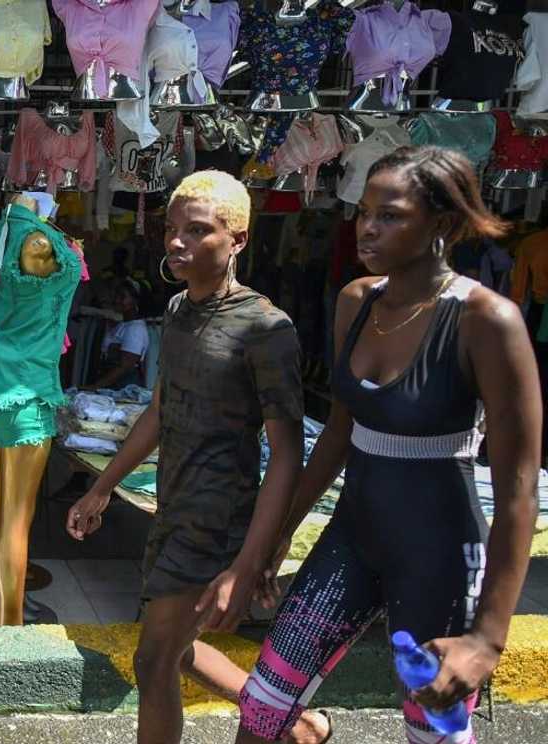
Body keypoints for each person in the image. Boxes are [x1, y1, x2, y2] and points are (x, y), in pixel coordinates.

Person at [234, 146, 541, 744]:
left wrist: (486, 638)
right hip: (352, 539)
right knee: (261, 707)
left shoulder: (486, 320)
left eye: (391, 215)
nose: (368, 227)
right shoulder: (357, 301)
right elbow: (339, 436)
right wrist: (274, 538)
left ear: (443, 225)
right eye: (364, 212)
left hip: (440, 556)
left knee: (433, 733)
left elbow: (519, 488)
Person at [66, 170, 309, 744]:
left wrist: (248, 565)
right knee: (174, 649)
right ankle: (296, 729)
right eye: (172, 229)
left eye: (197, 231)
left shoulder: (266, 329)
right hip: (172, 508)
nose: (177, 242)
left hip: (221, 519)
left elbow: (288, 456)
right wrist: (104, 486)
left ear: (238, 241)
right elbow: (158, 410)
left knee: (153, 659)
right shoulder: (176, 310)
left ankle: (289, 726)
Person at [88, 278, 149, 391]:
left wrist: (95, 387)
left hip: (123, 386)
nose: (116, 300)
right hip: (113, 384)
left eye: (122, 297)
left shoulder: (135, 329)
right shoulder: (123, 325)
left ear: (135, 301)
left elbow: (124, 367)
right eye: (116, 295)